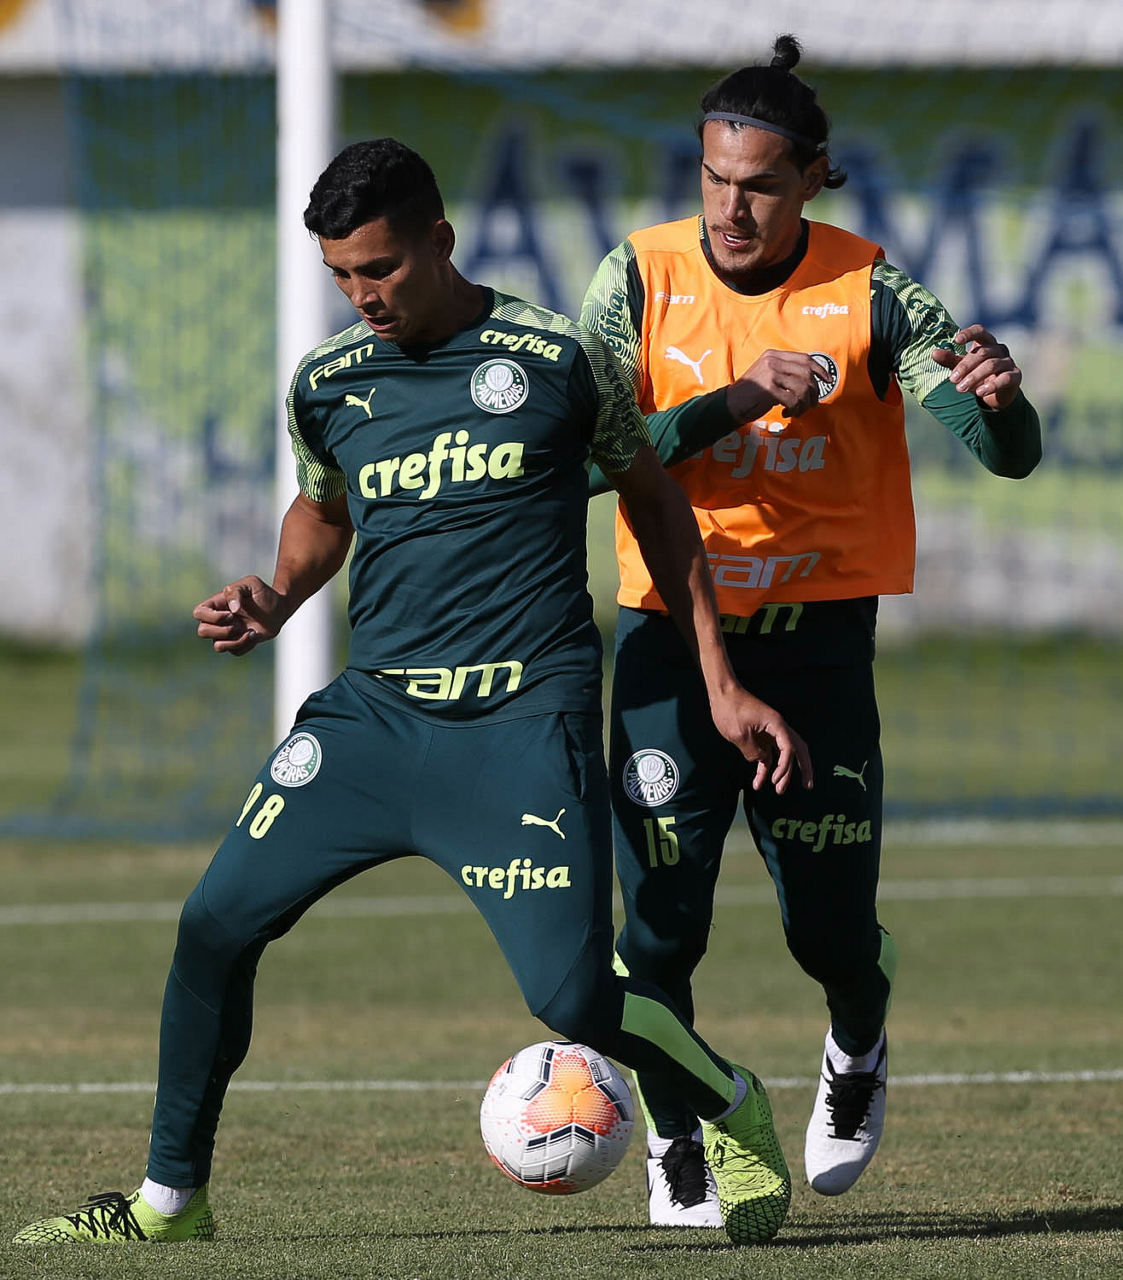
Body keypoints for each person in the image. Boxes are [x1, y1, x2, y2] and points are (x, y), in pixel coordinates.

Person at [14, 138, 815, 1250]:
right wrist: (276, 596)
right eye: (342, 275)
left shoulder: (555, 358)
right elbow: (323, 510)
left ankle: (729, 1100)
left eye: (380, 267)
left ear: (438, 239)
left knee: (574, 1000)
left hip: (518, 722)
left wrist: (720, 685)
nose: (362, 295)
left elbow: (656, 503)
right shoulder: (327, 382)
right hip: (376, 720)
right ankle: (169, 1202)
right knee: (212, 926)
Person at [581, 35, 1041, 1226]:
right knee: (658, 930)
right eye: (714, 178)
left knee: (828, 931)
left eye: (761, 185)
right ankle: (677, 1137)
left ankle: (858, 1039)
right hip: (671, 640)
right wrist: (733, 400)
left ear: (814, 180)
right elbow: (587, 457)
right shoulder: (634, 280)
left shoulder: (873, 292)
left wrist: (1001, 400)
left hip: (818, 648)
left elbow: (1003, 454)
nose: (731, 208)